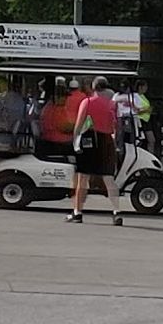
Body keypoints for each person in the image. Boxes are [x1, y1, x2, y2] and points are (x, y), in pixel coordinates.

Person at [66, 76, 122, 225]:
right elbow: (116, 125)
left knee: (83, 178)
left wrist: (75, 142)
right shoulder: (112, 104)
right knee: (109, 179)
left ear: (93, 87)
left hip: (90, 139)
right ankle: (117, 212)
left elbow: (79, 125)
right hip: (107, 141)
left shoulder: (88, 102)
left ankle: (77, 212)